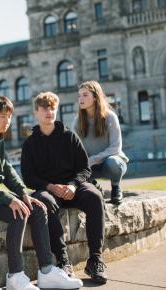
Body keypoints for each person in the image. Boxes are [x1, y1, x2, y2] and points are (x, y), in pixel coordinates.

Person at [0, 96, 83, 290]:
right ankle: (15, 276)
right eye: (2, 116)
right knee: (19, 212)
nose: (7, 121)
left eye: (9, 116)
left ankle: (47, 271)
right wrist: (9, 199)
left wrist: (24, 194)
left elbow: (8, 172)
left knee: (37, 208)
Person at [21, 92, 108, 284]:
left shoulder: (69, 136)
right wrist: (50, 186)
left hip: (71, 187)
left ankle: (95, 260)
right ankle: (63, 261)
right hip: (48, 189)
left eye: (52, 107)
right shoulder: (30, 144)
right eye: (44, 108)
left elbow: (84, 168)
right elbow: (28, 177)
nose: (49, 111)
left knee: (94, 196)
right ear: (36, 112)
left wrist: (73, 185)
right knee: (45, 201)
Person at [73, 80, 129, 204]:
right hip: (90, 166)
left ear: (95, 97)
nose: (81, 98)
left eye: (85, 95)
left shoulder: (110, 117)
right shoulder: (78, 121)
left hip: (111, 164)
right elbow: (73, 149)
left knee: (112, 162)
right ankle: (93, 185)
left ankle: (116, 187)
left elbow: (115, 148)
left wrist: (92, 160)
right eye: (79, 95)